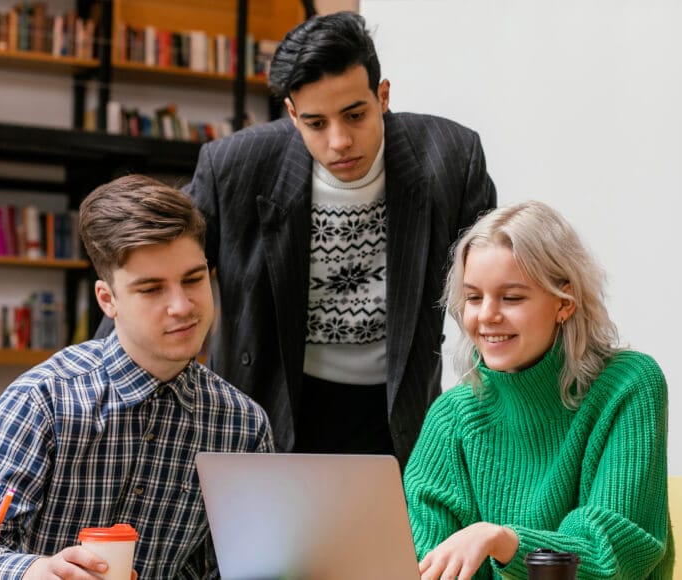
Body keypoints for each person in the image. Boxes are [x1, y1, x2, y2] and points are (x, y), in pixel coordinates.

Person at [180, 11, 496, 464]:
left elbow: (492, 285)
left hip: (398, 411)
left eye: (355, 115)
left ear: (382, 96)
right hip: (270, 404)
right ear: (292, 114)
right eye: (316, 123)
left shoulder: (450, 158)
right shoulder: (235, 165)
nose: (339, 141)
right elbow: (161, 265)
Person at [0, 175, 274, 579]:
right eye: (152, 289)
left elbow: (234, 568)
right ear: (108, 300)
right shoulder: (43, 401)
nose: (182, 306)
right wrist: (35, 571)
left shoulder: (243, 427)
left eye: (193, 279)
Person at [404, 201, 672, 580]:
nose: (487, 315)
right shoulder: (450, 417)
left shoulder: (628, 385)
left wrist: (503, 541)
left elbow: (611, 554)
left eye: (511, 297)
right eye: (474, 297)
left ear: (564, 303)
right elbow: (427, 562)